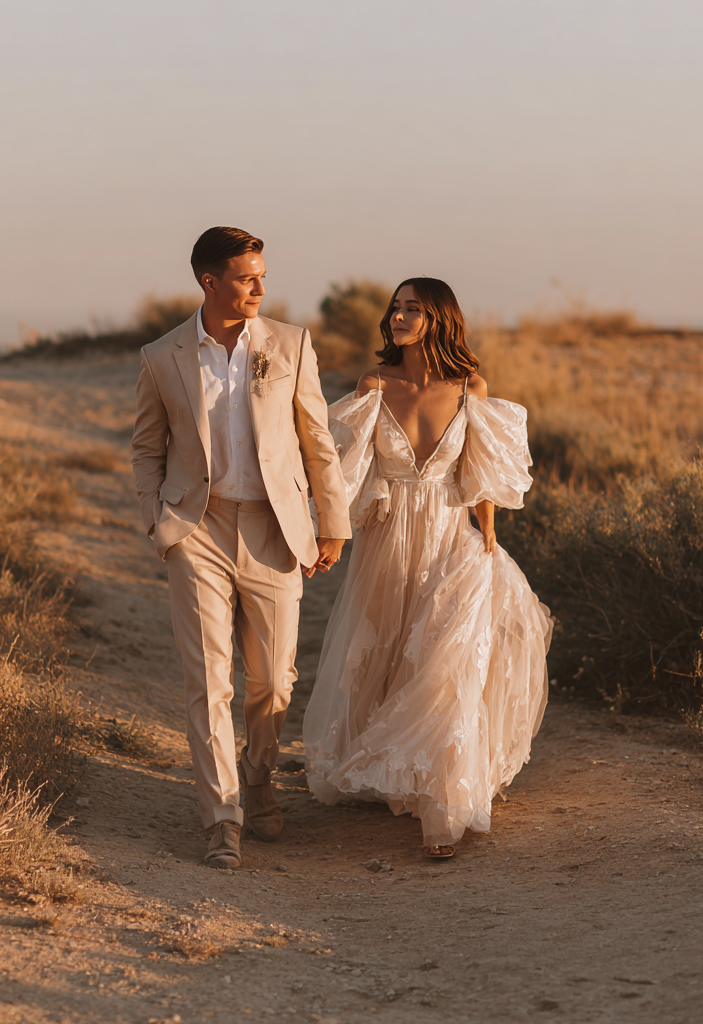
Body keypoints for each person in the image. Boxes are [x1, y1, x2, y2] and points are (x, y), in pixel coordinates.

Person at [303, 277, 552, 858]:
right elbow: (347, 473)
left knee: (446, 664)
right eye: (395, 307)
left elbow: (482, 471)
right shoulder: (374, 385)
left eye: (412, 308)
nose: (398, 316)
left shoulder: (471, 387)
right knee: (389, 653)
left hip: (451, 535)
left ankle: (445, 807)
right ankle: (400, 777)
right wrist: (335, 531)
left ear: (438, 317)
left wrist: (488, 532)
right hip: (389, 540)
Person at [131, 226, 350, 869]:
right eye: (247, 276)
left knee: (274, 679)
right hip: (196, 528)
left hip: (273, 527)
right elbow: (147, 448)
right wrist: (157, 519)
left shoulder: (290, 343)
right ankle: (221, 817)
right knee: (207, 679)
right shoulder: (162, 355)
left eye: (261, 274)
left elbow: (317, 438)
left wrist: (331, 521)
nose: (260, 286)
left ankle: (259, 774)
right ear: (210, 281)